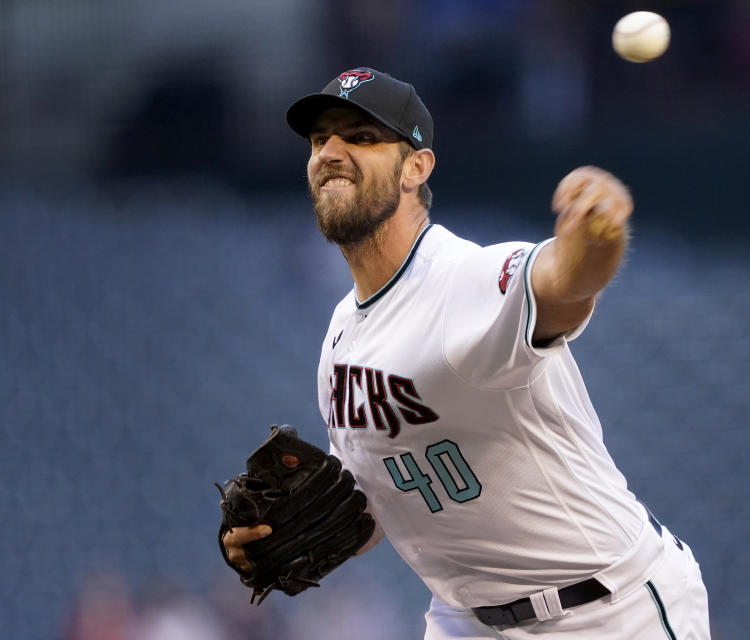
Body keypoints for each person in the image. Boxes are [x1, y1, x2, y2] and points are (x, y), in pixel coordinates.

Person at [222, 66, 710, 639]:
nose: (330, 149)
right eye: (319, 138)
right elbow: (372, 504)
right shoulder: (340, 337)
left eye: (360, 136)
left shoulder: (463, 281)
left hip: (606, 611)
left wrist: (597, 240)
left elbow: (564, 283)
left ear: (416, 166)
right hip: (465, 622)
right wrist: (282, 537)